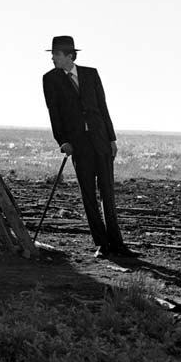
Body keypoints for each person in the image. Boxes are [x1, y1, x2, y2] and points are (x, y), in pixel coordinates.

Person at [42, 35, 135, 259]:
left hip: (101, 140)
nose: (52, 58)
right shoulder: (50, 79)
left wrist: (112, 139)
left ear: (68, 56)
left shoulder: (91, 74)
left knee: (108, 193)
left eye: (55, 54)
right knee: (88, 195)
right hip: (78, 145)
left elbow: (103, 107)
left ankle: (118, 244)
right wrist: (62, 141)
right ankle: (102, 245)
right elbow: (54, 113)